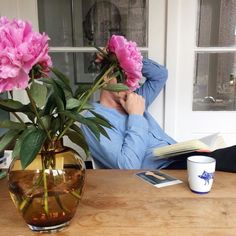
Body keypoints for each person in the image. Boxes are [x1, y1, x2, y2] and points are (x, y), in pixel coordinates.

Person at [81, 57, 236, 172]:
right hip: (161, 173)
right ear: (106, 77)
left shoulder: (132, 98)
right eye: (123, 76)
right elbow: (127, 167)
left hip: (180, 159)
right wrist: (136, 116)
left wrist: (127, 55)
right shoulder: (92, 119)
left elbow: (160, 74)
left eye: (132, 77)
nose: (131, 83)